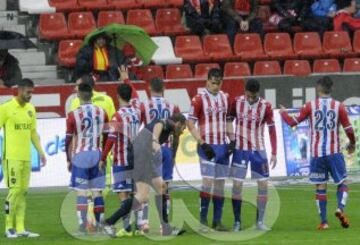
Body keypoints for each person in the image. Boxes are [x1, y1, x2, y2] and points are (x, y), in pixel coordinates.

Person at [280, 76, 356, 230]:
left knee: (320, 186)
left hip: (317, 154)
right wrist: (352, 143)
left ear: (318, 88)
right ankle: (340, 208)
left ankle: (324, 222)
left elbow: (292, 123)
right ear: (331, 88)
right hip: (334, 152)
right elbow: (348, 129)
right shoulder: (339, 106)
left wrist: (283, 113)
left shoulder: (310, 106)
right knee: (342, 183)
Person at [101, 113, 187, 237]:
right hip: (139, 156)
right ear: (178, 123)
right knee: (142, 195)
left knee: (161, 187)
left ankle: (166, 227)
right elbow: (159, 124)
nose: (183, 131)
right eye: (183, 127)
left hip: (143, 156)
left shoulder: (170, 130)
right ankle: (109, 222)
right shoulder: (167, 123)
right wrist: (154, 140)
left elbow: (168, 135)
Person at [227, 79, 277, 232]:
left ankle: (260, 222)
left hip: (258, 151)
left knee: (263, 185)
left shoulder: (266, 106)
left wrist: (274, 152)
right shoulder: (236, 102)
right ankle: (237, 222)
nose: (251, 99)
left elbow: (272, 130)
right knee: (236, 185)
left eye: (253, 96)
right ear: (245, 91)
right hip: (240, 150)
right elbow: (229, 120)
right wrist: (232, 139)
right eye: (249, 95)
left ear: (258, 93)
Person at [0, 78, 47, 238]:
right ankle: (8, 228)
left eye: (32, 92)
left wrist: (41, 152)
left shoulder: (31, 109)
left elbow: (33, 133)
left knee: (23, 192)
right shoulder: (6, 108)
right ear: (19, 90)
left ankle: (20, 228)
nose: (30, 95)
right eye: (28, 92)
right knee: (14, 191)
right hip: (11, 157)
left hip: (26, 157)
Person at [187, 68, 231, 232]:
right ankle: (203, 221)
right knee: (207, 184)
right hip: (207, 147)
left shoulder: (225, 98)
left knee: (220, 185)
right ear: (207, 81)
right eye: (213, 82)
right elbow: (190, 123)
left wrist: (231, 141)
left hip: (222, 147)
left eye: (218, 82)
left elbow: (227, 120)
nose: (216, 85)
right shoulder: (198, 99)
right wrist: (202, 142)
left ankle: (217, 221)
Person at [138, 77, 181, 232]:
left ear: (149, 88)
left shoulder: (144, 106)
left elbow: (141, 128)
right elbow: (176, 133)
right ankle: (165, 225)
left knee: (146, 186)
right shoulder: (172, 106)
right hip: (167, 149)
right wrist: (174, 154)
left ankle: (144, 222)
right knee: (165, 187)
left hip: (151, 149)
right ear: (164, 88)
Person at [65, 83, 109, 234]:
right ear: (92, 94)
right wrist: (103, 156)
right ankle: (100, 224)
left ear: (78, 95)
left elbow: (68, 140)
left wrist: (69, 159)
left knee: (82, 192)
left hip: (81, 156)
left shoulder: (73, 115)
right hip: (97, 154)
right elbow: (107, 135)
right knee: (97, 191)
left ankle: (83, 225)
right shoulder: (102, 112)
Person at [100, 83, 142, 237]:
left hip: (120, 159)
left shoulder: (117, 116)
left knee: (123, 195)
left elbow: (110, 139)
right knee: (134, 194)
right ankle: (134, 226)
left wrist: (103, 157)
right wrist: (127, 81)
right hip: (135, 159)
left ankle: (125, 227)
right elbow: (137, 98)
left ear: (117, 96)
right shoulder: (137, 113)